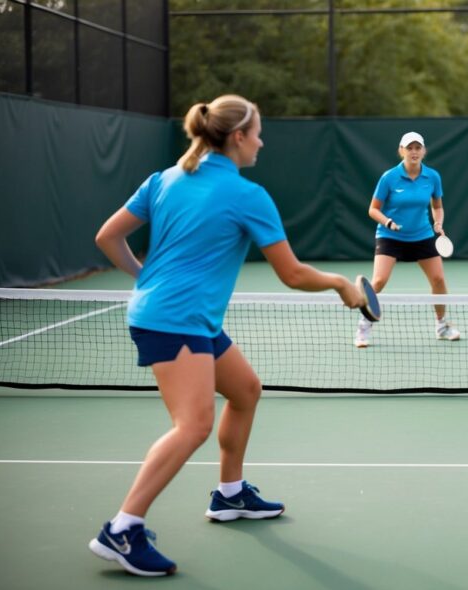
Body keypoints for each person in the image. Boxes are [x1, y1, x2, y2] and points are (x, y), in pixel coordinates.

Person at [90, 94, 364, 576]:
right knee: (192, 425)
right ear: (237, 137)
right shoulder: (247, 195)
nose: (261, 141)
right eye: (257, 132)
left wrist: (145, 279)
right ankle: (122, 529)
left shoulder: (164, 179)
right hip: (175, 320)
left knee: (245, 389)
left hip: (182, 315)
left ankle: (230, 495)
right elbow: (293, 274)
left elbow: (108, 237)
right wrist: (342, 284)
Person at [354, 131, 461, 348]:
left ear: (424, 151)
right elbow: (373, 209)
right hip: (390, 236)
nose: (414, 152)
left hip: (422, 235)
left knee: (439, 280)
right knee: (379, 281)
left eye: (417, 147)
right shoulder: (389, 177)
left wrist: (438, 222)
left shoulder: (432, 177)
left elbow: (437, 206)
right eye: (409, 148)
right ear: (401, 150)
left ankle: (441, 325)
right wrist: (388, 222)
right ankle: (364, 326)